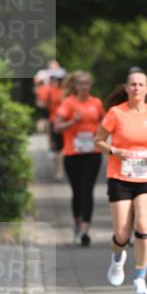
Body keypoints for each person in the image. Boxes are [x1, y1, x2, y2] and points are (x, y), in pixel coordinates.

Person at [95, 70, 147, 294]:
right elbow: (98, 141)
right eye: (132, 84)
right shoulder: (116, 113)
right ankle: (117, 258)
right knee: (122, 234)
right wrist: (114, 150)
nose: (136, 88)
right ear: (126, 88)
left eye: (140, 85)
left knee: (144, 228)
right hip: (120, 176)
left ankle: (140, 279)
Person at [54, 71, 104, 245]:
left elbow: (105, 123)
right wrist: (72, 122)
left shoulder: (96, 103)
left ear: (90, 86)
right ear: (75, 86)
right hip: (73, 153)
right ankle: (77, 221)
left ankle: (85, 229)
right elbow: (57, 127)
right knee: (77, 191)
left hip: (92, 153)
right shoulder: (68, 103)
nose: (84, 87)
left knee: (87, 189)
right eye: (81, 84)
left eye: (87, 84)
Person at [38, 74, 65, 180]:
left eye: (58, 80)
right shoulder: (49, 90)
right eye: (53, 80)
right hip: (54, 120)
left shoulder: (66, 91)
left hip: (68, 122)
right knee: (58, 148)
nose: (56, 82)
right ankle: (59, 172)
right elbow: (41, 103)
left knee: (66, 147)